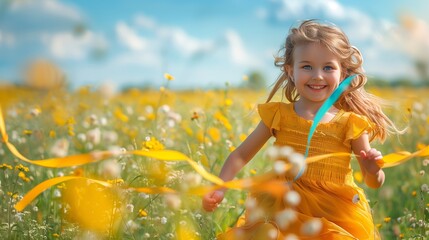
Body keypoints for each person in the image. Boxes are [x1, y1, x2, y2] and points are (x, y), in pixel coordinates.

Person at [202, 20, 400, 239]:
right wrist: (220, 187)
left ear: (342, 73)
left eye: (328, 67)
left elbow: (373, 182)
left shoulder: (351, 123)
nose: (317, 75)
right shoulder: (279, 115)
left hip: (334, 212)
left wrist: (373, 170)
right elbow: (240, 154)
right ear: (290, 71)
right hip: (283, 205)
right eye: (307, 66)